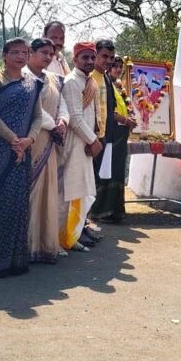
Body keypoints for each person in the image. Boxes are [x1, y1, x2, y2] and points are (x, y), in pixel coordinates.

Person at [0, 38, 43, 277]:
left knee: (17, 202)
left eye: (24, 52)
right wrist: (14, 139)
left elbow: (38, 116)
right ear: (4, 55)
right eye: (15, 52)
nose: (20, 56)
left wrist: (29, 140)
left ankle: (15, 260)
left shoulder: (33, 83)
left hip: (23, 149)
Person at [25, 38, 70, 263]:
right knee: (32, 192)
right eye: (43, 52)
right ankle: (28, 246)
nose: (48, 57)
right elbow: (34, 109)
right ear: (30, 52)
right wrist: (54, 125)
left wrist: (63, 121)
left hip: (51, 140)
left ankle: (44, 245)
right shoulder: (24, 77)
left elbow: (63, 103)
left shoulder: (52, 78)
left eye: (51, 53)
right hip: (33, 138)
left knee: (48, 191)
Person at [59, 42, 102, 252]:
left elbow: (93, 115)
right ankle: (61, 239)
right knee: (69, 193)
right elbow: (75, 118)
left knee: (81, 192)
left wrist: (93, 138)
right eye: (85, 57)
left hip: (84, 142)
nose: (89, 61)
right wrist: (93, 141)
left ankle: (71, 236)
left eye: (92, 57)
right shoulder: (71, 82)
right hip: (75, 143)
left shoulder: (89, 81)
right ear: (75, 59)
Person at [90, 40, 134, 224]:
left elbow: (109, 108)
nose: (107, 61)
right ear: (95, 55)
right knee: (96, 177)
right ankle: (93, 215)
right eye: (104, 56)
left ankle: (108, 212)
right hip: (93, 137)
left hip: (109, 136)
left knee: (108, 174)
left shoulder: (106, 78)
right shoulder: (90, 77)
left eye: (110, 57)